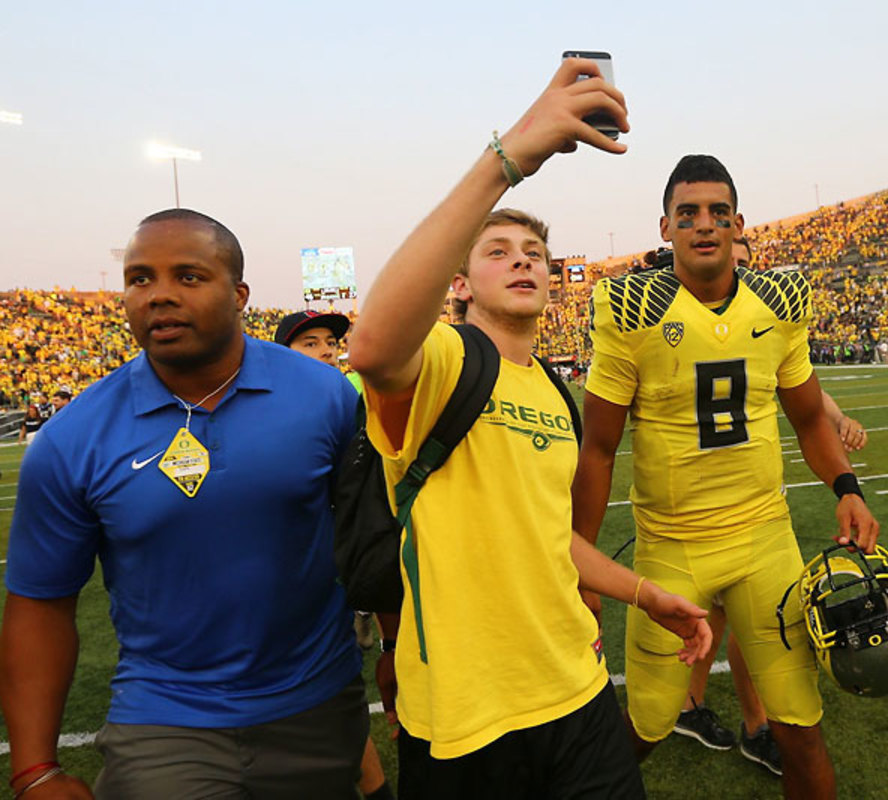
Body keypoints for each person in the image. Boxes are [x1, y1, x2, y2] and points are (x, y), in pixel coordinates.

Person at [349, 59, 711, 799]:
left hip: (576, 690)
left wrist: (644, 593)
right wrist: (509, 160)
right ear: (460, 281)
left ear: (551, 280)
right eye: (497, 253)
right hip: (464, 717)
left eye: (534, 255)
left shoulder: (553, 388)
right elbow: (375, 350)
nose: (522, 262)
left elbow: (552, 539)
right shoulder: (444, 361)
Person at [1, 209, 368, 799]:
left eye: (189, 277)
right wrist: (34, 768)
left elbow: (376, 539)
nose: (159, 296)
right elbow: (40, 603)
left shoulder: (325, 397)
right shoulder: (75, 436)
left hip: (319, 704)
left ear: (240, 294)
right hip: (165, 716)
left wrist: (401, 652)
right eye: (140, 278)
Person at [572, 154, 880, 800]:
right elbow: (597, 449)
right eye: (688, 214)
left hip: (764, 540)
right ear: (665, 228)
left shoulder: (779, 302)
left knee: (801, 729)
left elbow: (808, 419)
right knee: (646, 727)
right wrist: (580, 563)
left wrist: (847, 488)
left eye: (717, 212)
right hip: (671, 547)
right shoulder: (631, 309)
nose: (703, 225)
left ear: (739, 223)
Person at [668, 239, 868, 776]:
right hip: (692, 512)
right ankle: (703, 711)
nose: (740, 263)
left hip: (753, 509)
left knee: (741, 622)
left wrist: (836, 416)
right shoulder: (677, 312)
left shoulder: (764, 310)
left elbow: (795, 379)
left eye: (744, 252)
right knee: (711, 623)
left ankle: (750, 723)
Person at [272, 309, 395, 800]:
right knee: (314, 693)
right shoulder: (273, 410)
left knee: (345, 688)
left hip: (352, 562)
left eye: (329, 342)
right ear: (282, 355)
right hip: (297, 571)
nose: (325, 350)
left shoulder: (354, 399)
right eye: (310, 344)